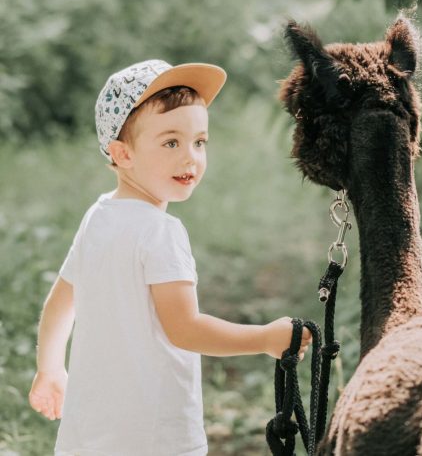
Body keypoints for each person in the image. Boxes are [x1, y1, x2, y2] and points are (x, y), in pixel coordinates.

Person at [28, 59, 312, 456]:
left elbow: (60, 302)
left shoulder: (98, 217)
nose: (190, 158)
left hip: (89, 433)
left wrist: (51, 368)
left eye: (199, 142)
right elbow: (185, 329)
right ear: (122, 154)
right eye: (170, 142)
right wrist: (265, 338)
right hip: (156, 435)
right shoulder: (161, 232)